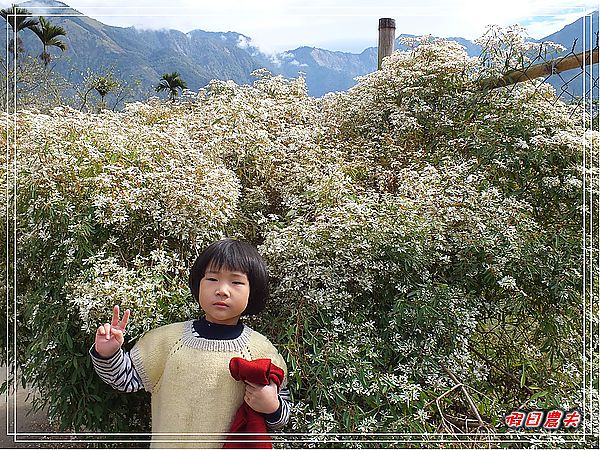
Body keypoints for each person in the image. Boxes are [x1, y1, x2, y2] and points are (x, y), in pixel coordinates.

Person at [90, 239, 292, 448]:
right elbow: (125, 379)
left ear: (253, 291)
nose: (222, 290)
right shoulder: (167, 341)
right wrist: (108, 354)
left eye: (236, 282)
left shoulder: (261, 351)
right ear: (198, 284)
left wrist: (271, 406)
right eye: (212, 278)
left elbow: (282, 416)